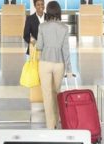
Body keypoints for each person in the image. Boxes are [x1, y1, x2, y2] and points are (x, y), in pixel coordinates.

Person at [35, 1, 72, 130]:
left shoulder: (42, 27)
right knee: (57, 93)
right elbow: (66, 50)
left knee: (47, 96)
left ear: (48, 11)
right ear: (59, 12)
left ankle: (50, 127)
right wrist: (69, 70)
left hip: (44, 63)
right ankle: (57, 121)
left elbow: (39, 46)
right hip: (59, 65)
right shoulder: (64, 28)